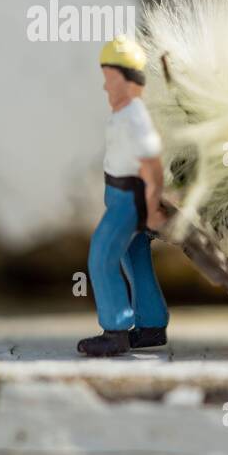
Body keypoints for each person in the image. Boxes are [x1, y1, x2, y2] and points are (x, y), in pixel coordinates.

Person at [77, 36, 171, 357]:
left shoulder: (134, 116)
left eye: (110, 79)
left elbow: (151, 163)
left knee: (102, 255)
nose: (106, 87)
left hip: (129, 201)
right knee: (135, 259)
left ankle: (115, 330)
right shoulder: (125, 113)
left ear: (129, 80)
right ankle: (151, 324)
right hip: (120, 195)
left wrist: (151, 208)